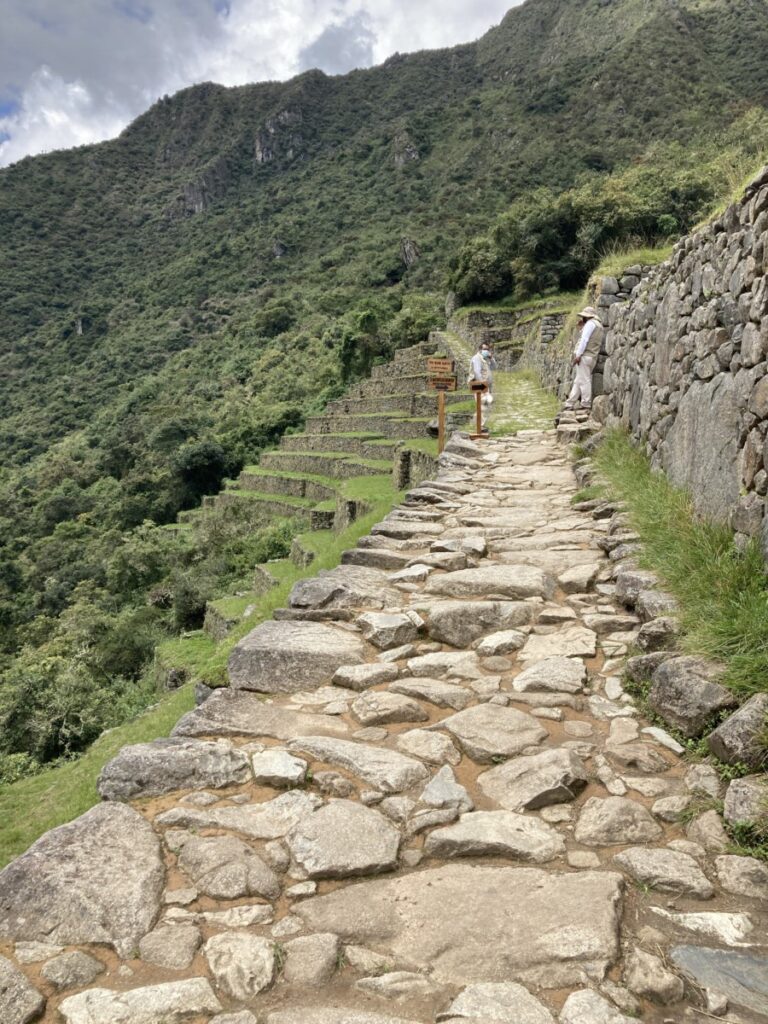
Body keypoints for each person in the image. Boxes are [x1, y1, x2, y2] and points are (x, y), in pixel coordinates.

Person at [564, 306, 604, 411]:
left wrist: (578, 355)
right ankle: (569, 403)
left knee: (584, 380)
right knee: (578, 380)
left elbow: (584, 340)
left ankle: (586, 403)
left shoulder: (590, 324)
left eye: (584, 317)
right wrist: (582, 328)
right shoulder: (598, 325)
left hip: (585, 356)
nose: (582, 319)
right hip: (592, 356)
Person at [469, 340, 497, 431]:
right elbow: (477, 372)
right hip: (479, 384)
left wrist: (491, 358)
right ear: (480, 349)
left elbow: (495, 367)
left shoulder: (486, 359)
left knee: (486, 404)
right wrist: (483, 384)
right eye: (485, 349)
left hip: (486, 386)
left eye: (488, 349)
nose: (486, 351)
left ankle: (479, 424)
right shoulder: (476, 358)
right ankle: (479, 426)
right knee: (483, 403)